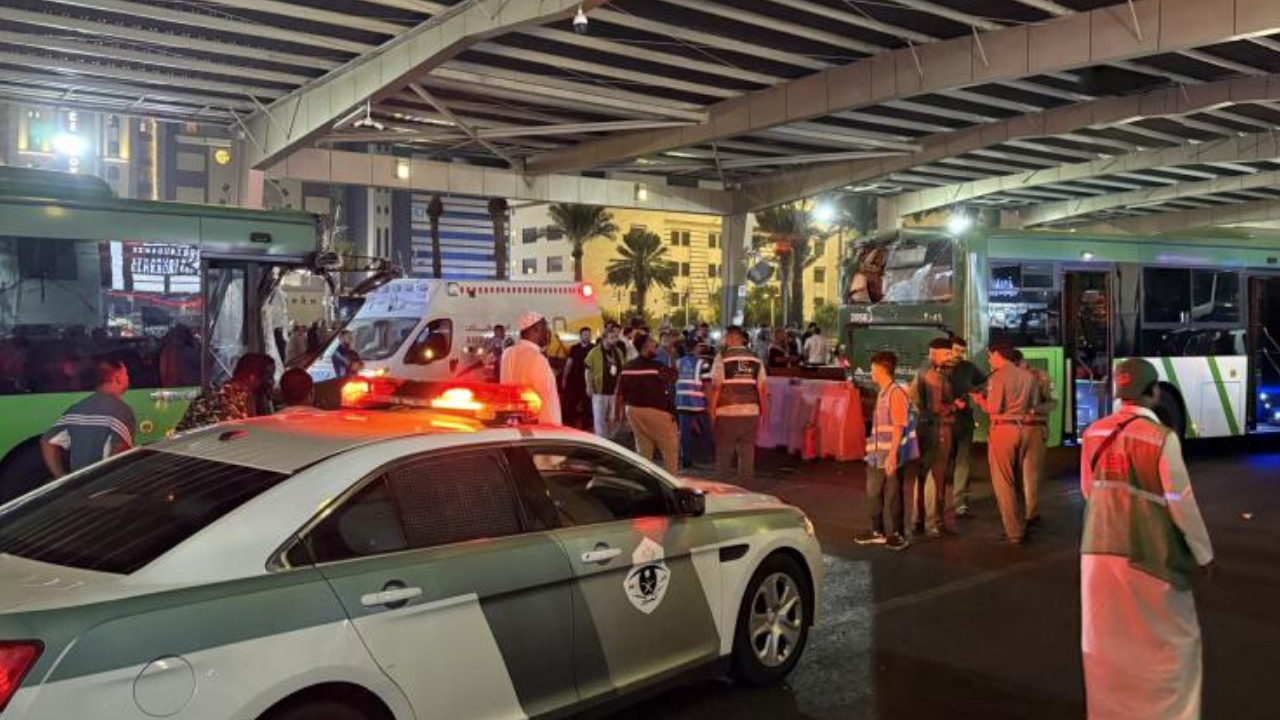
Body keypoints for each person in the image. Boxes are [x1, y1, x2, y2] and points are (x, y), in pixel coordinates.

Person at [1080, 359, 1214, 720]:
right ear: (1154, 392)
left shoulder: (1093, 432)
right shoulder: (1161, 438)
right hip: (1149, 553)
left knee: (1107, 641)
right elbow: (1180, 502)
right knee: (1173, 642)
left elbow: (1089, 490)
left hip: (1097, 550)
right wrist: (1204, 554)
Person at [969, 342, 1042, 545]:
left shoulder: (999, 376)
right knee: (1017, 480)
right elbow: (1033, 404)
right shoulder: (1027, 377)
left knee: (1003, 482)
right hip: (1023, 429)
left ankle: (1013, 532)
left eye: (989, 356)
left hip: (1003, 430)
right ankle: (1021, 525)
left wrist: (979, 400)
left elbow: (994, 408)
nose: (988, 360)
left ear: (997, 355)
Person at [855, 351, 914, 551]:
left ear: (881, 369)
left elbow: (898, 426)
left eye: (872, 369)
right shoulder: (883, 392)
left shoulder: (896, 393)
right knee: (873, 493)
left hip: (890, 454)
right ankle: (877, 531)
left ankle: (897, 533)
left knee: (893, 495)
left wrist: (892, 455)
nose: (871, 372)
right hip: (875, 455)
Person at [40, 358, 137, 478]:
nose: (128, 378)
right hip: (105, 485)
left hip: (82, 485)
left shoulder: (77, 409)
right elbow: (120, 450)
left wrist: (60, 477)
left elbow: (47, 441)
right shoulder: (121, 411)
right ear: (117, 378)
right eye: (125, 374)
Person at [709, 325, 769, 484]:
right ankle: (745, 487)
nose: (724, 340)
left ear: (732, 338)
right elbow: (762, 389)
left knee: (724, 452)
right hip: (751, 412)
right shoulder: (755, 358)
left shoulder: (722, 357)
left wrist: (712, 411)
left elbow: (716, 387)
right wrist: (764, 413)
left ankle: (721, 488)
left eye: (726, 337)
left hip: (727, 411)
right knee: (747, 451)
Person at [911, 337, 957, 538]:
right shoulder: (934, 375)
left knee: (922, 476)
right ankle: (933, 522)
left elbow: (914, 398)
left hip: (922, 426)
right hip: (937, 428)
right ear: (935, 352)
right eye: (947, 353)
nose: (950, 357)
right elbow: (938, 408)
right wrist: (954, 406)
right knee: (937, 475)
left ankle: (918, 520)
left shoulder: (921, 370)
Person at [615, 332, 680, 473]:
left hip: (633, 412)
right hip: (656, 413)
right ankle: (671, 481)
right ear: (645, 347)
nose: (656, 345)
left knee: (644, 450)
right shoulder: (656, 367)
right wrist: (672, 356)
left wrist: (619, 416)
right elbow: (674, 376)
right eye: (652, 342)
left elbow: (620, 393)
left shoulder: (626, 368)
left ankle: (643, 480)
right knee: (670, 448)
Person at [176, 353, 277, 432]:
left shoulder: (226, 392)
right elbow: (241, 437)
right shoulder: (231, 400)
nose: (272, 382)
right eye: (269, 378)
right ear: (252, 378)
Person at [1017, 349, 1057, 529]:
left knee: (1030, 474)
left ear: (1023, 362)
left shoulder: (1041, 377)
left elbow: (1053, 402)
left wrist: (1035, 409)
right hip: (1011, 429)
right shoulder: (1005, 377)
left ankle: (1030, 514)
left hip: (1034, 427)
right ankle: (1018, 513)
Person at [946, 337, 986, 517]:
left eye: (962, 351)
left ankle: (960, 502)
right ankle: (936, 501)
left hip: (964, 421)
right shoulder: (938, 368)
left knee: (963, 463)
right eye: (956, 350)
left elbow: (984, 382)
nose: (959, 354)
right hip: (944, 422)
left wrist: (977, 392)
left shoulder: (968, 367)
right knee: (942, 463)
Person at [500, 311, 561, 425]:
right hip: (538, 427)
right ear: (536, 329)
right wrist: (553, 428)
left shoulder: (507, 353)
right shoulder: (537, 358)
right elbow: (547, 400)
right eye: (545, 327)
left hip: (511, 424)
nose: (548, 333)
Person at [585, 323, 627, 438]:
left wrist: (620, 387)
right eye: (612, 337)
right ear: (605, 337)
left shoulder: (618, 352)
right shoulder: (594, 352)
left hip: (613, 392)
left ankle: (610, 441)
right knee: (599, 420)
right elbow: (588, 370)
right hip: (599, 391)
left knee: (611, 419)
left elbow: (621, 371)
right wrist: (588, 385)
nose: (615, 340)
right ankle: (600, 441)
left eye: (616, 337)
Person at [675, 342, 713, 469]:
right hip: (698, 402)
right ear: (696, 348)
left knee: (684, 433)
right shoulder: (703, 363)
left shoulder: (678, 362)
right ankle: (706, 458)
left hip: (682, 401)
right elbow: (707, 385)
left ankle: (686, 460)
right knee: (706, 431)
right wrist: (710, 403)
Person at [561, 327, 594, 430]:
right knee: (571, 401)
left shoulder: (594, 348)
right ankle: (570, 422)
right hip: (574, 379)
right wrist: (564, 378)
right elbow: (569, 363)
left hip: (587, 380)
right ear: (581, 336)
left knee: (587, 404)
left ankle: (586, 425)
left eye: (588, 335)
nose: (587, 337)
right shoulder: (574, 348)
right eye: (585, 335)